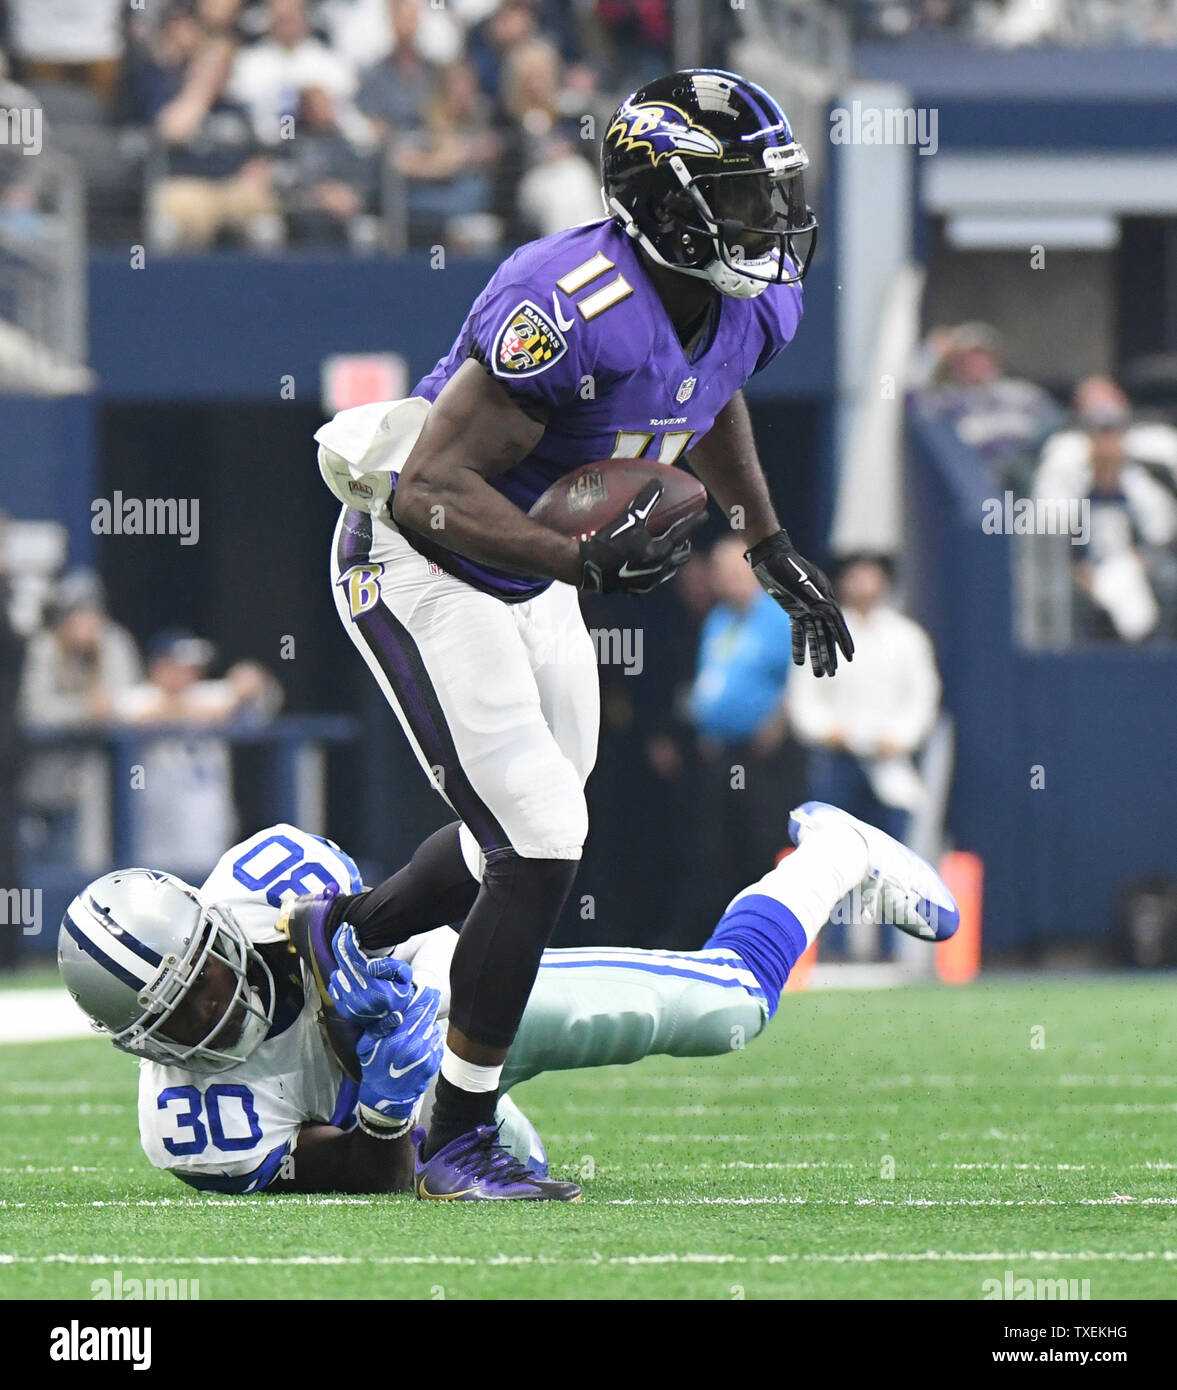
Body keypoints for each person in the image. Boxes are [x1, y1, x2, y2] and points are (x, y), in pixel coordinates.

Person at [317, 68, 853, 1197]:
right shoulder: (565, 301)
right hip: (417, 561)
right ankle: (454, 1133)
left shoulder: (749, 300)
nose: (770, 220)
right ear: (664, 200)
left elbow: (712, 386)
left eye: (771, 192)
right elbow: (427, 487)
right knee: (541, 834)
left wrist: (763, 543)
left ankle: (347, 938)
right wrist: (573, 560)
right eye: (740, 196)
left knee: (529, 818)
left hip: (528, 574)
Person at [57, 801, 959, 1197]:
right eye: (175, 1020)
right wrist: (377, 1113)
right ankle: (474, 1119)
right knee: (495, 1174)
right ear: (135, 1040)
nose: (211, 1013)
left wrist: (354, 944)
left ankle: (836, 854)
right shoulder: (184, 1124)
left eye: (206, 979)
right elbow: (372, 1176)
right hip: (394, 1112)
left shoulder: (263, 881)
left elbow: (460, 859)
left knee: (729, 1010)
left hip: (441, 992)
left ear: (213, 928)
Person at [682, 535, 801, 934]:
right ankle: (721, 932)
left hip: (763, 756)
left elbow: (799, 679)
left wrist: (778, 721)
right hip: (719, 753)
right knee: (714, 848)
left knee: (760, 844)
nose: (729, 578)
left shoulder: (778, 617)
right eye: (721, 571)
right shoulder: (719, 620)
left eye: (737, 570)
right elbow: (711, 678)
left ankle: (764, 931)